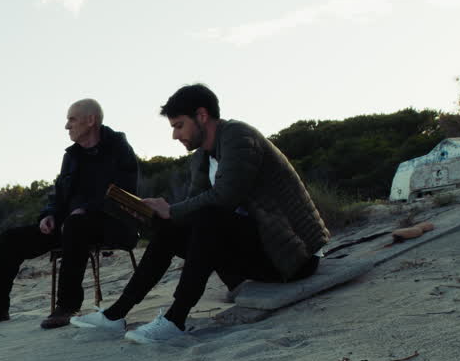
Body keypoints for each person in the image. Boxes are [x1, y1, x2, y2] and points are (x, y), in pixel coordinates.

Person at [70, 84, 329, 343]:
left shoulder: (239, 137)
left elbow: (224, 198)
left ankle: (175, 319)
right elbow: (189, 210)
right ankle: (116, 314)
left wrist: (171, 210)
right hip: (255, 252)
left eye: (179, 125)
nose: (174, 135)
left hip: (292, 255)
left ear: (202, 116)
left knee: (209, 216)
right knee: (173, 226)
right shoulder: (202, 157)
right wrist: (150, 214)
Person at [0, 99, 140, 329]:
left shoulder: (119, 148)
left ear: (91, 120)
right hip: (70, 226)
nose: (67, 126)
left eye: (72, 119)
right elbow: (58, 195)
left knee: (76, 224)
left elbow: (124, 192)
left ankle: (67, 306)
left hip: (113, 223)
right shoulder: (71, 156)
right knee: (11, 238)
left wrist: (87, 208)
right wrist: (48, 215)